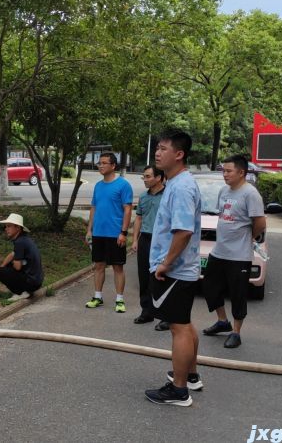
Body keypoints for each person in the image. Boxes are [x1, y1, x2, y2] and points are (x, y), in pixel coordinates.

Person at [143, 129, 202, 407]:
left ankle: (179, 390)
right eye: (157, 147)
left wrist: (165, 264)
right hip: (181, 269)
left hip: (175, 271)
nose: (157, 152)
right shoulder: (177, 183)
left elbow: (183, 232)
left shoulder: (181, 187)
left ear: (179, 155)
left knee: (178, 328)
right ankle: (190, 376)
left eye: (163, 148)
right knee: (185, 325)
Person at [201, 155, 266, 348]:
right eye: (223, 170)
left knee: (237, 294)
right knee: (209, 287)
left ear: (241, 172)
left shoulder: (250, 194)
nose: (225, 174)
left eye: (229, 171)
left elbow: (260, 223)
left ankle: (236, 332)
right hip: (219, 251)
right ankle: (222, 321)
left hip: (239, 255)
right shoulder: (224, 191)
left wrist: (248, 238)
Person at [84, 152, 134, 313]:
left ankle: (119, 300)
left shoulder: (123, 185)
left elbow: (127, 210)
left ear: (113, 166)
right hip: (98, 233)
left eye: (104, 163)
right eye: (100, 163)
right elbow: (94, 207)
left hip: (115, 234)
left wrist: (123, 232)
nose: (101, 165)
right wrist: (89, 230)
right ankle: (97, 297)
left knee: (117, 267)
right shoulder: (98, 185)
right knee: (98, 265)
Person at [131, 165, 167, 329]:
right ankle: (147, 312)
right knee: (144, 277)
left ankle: (166, 315)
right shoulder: (144, 196)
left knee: (162, 277)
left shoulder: (168, 195)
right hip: (145, 238)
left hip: (163, 241)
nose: (145, 180)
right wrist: (135, 239)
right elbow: (138, 218)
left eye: (148, 176)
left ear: (159, 178)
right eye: (143, 177)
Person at [0, 213, 44, 302]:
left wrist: (4, 268)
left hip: (31, 282)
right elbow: (13, 254)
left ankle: (21, 293)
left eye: (9, 226)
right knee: (5, 267)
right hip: (37, 281)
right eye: (6, 226)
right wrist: (3, 265)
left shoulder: (19, 243)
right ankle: (24, 290)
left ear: (17, 228)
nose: (6, 229)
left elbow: (17, 267)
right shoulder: (24, 239)